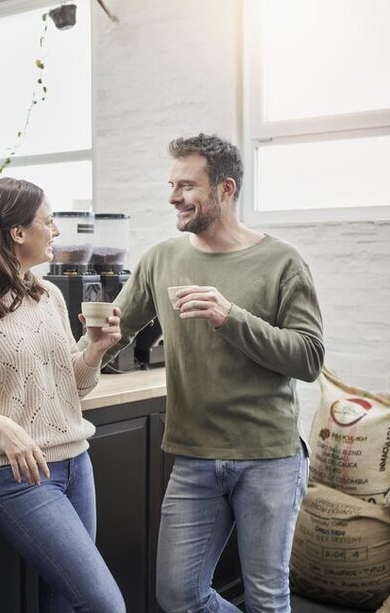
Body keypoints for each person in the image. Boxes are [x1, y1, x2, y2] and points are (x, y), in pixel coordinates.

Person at [93, 134, 324, 612]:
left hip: (270, 457)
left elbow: (308, 357)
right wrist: (80, 353)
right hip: (195, 455)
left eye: (187, 185)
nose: (174, 196)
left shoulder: (282, 262)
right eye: (171, 184)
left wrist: (229, 316)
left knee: (266, 597)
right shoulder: (161, 260)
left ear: (225, 189)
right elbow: (109, 339)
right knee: (178, 595)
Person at [0, 177, 127, 613]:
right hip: (17, 476)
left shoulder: (47, 294)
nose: (56, 232)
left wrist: (95, 350)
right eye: (48, 222)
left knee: (67, 603)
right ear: (18, 232)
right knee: (106, 605)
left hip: (76, 462)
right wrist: (1, 425)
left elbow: (69, 382)